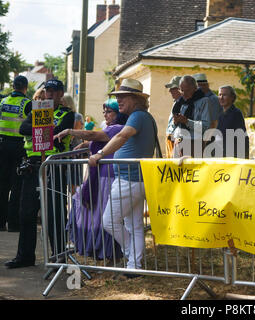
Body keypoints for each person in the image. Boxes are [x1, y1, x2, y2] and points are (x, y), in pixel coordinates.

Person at [88, 79, 157, 273]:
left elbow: (121, 136)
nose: (118, 100)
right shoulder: (143, 116)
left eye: (122, 96)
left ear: (135, 99)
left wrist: (100, 154)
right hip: (136, 178)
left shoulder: (138, 116)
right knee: (133, 225)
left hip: (129, 179)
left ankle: (130, 255)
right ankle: (134, 265)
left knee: (109, 221)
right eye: (117, 97)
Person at [4, 79, 75, 268]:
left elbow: (59, 133)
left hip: (54, 167)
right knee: (26, 213)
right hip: (33, 166)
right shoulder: (36, 111)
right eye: (47, 91)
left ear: (61, 94)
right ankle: (25, 257)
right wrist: (45, 129)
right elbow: (22, 128)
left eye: (54, 91)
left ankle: (59, 258)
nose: (50, 94)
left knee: (54, 215)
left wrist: (43, 130)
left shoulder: (67, 114)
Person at [55, 98, 127, 261]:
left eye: (109, 111)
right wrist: (85, 145)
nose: (105, 115)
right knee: (95, 216)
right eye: (104, 111)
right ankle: (100, 252)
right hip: (100, 177)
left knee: (103, 219)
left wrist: (69, 131)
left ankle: (111, 254)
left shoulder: (118, 128)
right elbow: (97, 139)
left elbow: (94, 134)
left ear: (118, 114)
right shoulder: (111, 128)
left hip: (107, 178)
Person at [0, 75, 32, 232]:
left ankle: (0, 223)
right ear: (25, 88)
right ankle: (13, 224)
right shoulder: (27, 104)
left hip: (2, 145)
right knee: (16, 185)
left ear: (13, 86)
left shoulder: (3, 102)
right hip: (19, 147)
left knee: (2, 184)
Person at [172, 75, 211, 158]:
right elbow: (172, 127)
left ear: (195, 89)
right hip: (177, 142)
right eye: (182, 90)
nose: (184, 93)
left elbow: (206, 126)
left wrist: (187, 122)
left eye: (188, 90)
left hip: (194, 143)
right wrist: (175, 122)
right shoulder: (178, 103)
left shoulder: (204, 101)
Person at [215, 85, 249, 158]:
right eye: (220, 95)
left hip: (233, 156)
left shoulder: (236, 113)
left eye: (224, 95)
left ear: (232, 97)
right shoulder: (220, 114)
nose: (221, 97)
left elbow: (242, 136)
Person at [164, 75, 182, 158]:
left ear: (180, 89)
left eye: (172, 88)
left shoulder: (184, 103)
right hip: (171, 138)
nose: (170, 91)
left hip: (177, 140)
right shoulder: (177, 102)